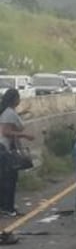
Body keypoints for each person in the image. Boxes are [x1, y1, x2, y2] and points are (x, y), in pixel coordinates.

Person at [0, 89, 33, 217]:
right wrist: (25, 135)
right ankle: (8, 208)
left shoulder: (8, 112)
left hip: (4, 148)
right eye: (18, 97)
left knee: (4, 179)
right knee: (10, 179)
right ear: (14, 99)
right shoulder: (9, 113)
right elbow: (6, 132)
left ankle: (5, 206)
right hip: (4, 149)